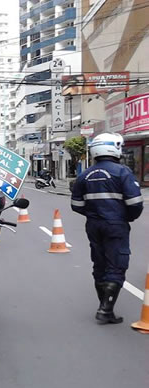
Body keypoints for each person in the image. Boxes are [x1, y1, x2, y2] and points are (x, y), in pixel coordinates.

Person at [71, 133, 144, 324]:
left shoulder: (85, 175)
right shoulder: (122, 172)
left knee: (99, 264)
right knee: (116, 265)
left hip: (94, 225)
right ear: (114, 148)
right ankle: (105, 310)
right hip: (116, 225)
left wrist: (94, 215)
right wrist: (125, 217)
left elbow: (76, 205)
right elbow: (135, 203)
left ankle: (104, 305)